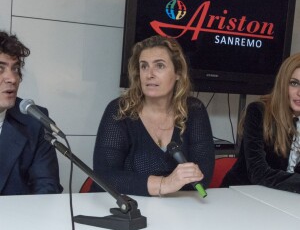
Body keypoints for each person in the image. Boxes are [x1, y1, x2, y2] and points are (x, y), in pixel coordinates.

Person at [91, 35, 214, 196]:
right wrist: (164, 184)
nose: (149, 74)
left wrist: (192, 177)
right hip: (126, 210)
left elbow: (203, 176)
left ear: (178, 73)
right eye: (144, 66)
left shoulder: (194, 110)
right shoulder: (120, 110)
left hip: (179, 210)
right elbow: (104, 176)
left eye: (160, 66)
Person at [222, 53, 300, 193]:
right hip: (242, 194)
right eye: (294, 83)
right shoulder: (258, 111)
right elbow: (257, 173)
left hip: (284, 197)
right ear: (283, 83)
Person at [0, 30, 63, 195]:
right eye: (0, 69)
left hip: (19, 219)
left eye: (15, 69)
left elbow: (47, 186)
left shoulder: (34, 120)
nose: (12, 79)